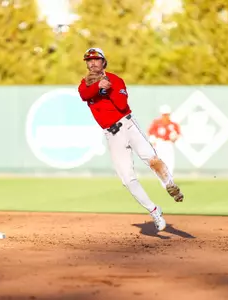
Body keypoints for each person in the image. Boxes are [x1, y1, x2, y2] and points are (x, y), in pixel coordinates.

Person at [77, 47, 184, 232]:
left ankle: (169, 184)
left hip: (127, 125)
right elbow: (84, 95)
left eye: (96, 59)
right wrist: (98, 87)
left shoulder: (116, 80)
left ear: (104, 62)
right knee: (127, 179)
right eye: (89, 60)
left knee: (151, 158)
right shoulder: (84, 84)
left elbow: (122, 104)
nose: (92, 62)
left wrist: (108, 89)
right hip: (112, 134)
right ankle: (154, 210)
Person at [148, 105, 181, 176]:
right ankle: (163, 178)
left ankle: (169, 179)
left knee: (170, 162)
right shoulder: (156, 123)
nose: (165, 116)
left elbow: (178, 134)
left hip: (169, 144)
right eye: (164, 115)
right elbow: (150, 133)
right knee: (160, 161)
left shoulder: (173, 124)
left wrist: (174, 137)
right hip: (159, 143)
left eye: (167, 114)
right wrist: (153, 140)